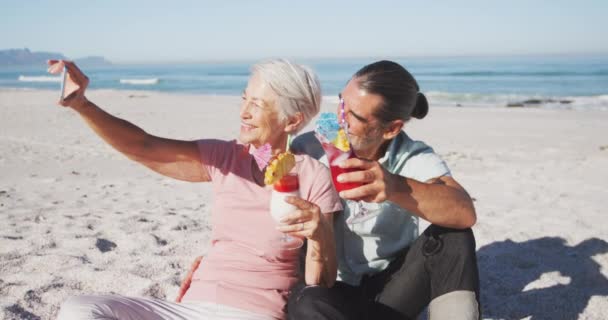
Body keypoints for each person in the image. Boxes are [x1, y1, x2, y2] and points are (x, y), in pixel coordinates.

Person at [50, 58, 343, 320]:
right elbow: (145, 146)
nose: (244, 112)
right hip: (187, 309)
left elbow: (323, 281)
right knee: (80, 309)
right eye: (244, 99)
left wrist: (320, 235)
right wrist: (81, 105)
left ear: (291, 120)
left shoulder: (313, 176)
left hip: (254, 311)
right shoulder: (225, 158)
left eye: (258, 105)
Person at [287, 60, 480, 320]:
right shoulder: (307, 148)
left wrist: (394, 186)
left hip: (393, 293)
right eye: (341, 103)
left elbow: (464, 211)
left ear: (391, 129)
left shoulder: (411, 157)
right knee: (307, 302)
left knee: (453, 235)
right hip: (332, 289)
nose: (339, 118)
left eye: (354, 116)